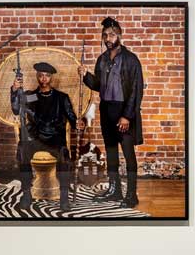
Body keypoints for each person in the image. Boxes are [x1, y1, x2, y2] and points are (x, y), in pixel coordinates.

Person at [78, 17, 144, 208]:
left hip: (124, 112)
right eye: (105, 35)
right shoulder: (102, 59)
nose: (108, 38)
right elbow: (99, 86)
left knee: (128, 154)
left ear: (119, 35)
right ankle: (115, 191)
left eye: (112, 34)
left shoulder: (131, 60)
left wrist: (127, 116)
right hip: (106, 110)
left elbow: (136, 90)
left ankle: (131, 195)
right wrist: (86, 76)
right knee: (112, 152)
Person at [11, 62, 84, 211]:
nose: (44, 78)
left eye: (47, 75)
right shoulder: (30, 96)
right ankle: (26, 194)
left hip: (55, 137)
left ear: (51, 77)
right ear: (37, 76)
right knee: (23, 149)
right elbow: (16, 109)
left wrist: (78, 124)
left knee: (63, 153)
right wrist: (15, 90)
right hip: (35, 137)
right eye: (41, 75)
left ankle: (64, 196)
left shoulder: (61, 97)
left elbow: (72, 118)